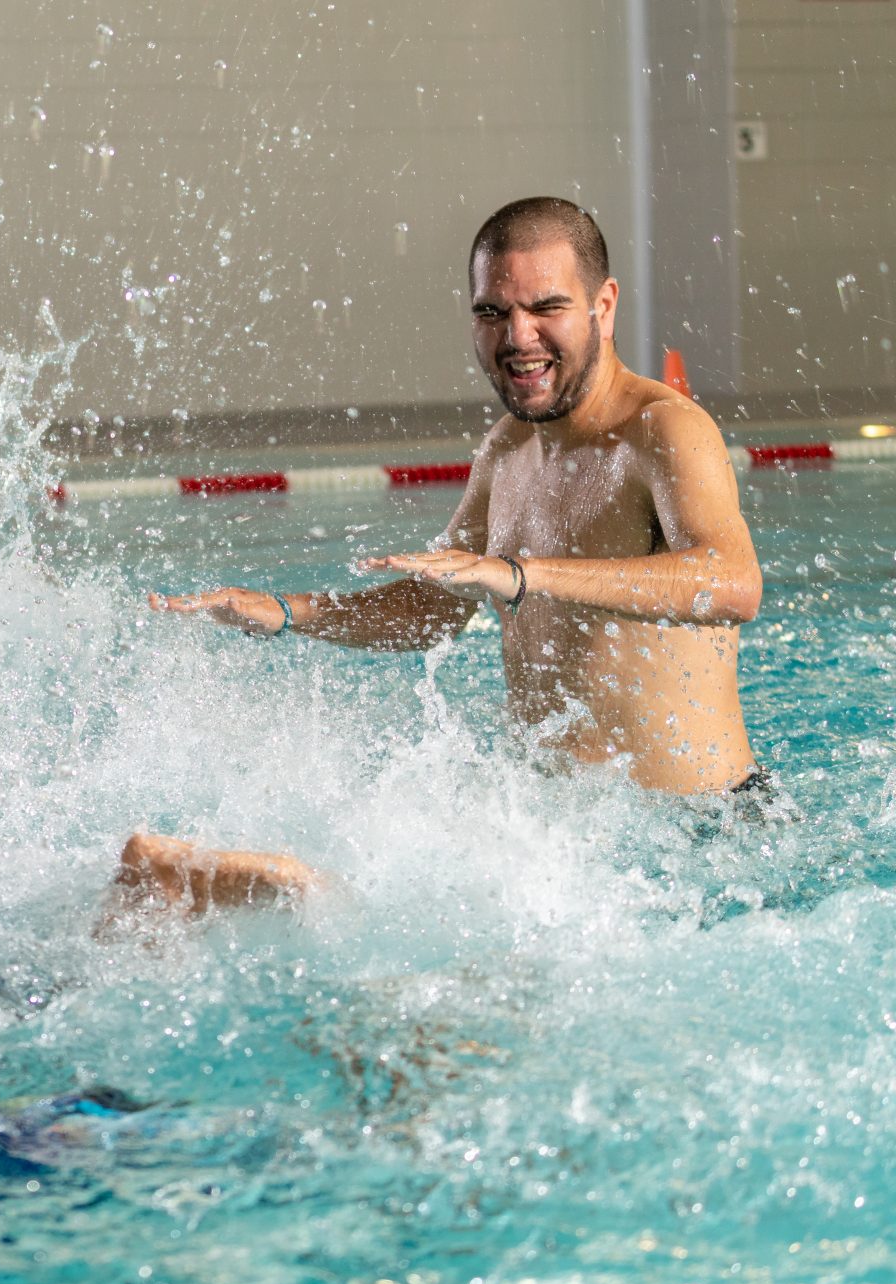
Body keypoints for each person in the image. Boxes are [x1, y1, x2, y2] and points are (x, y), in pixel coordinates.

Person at [136, 196, 766, 907]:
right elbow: (433, 610)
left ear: (604, 304)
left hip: (697, 842)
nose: (518, 337)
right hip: (568, 839)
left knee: (344, 923)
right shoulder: (508, 449)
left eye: (545, 308)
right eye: (492, 313)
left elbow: (732, 583)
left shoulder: (662, 431)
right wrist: (286, 612)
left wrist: (521, 574)